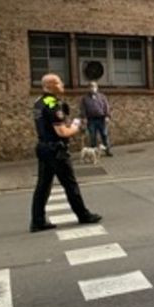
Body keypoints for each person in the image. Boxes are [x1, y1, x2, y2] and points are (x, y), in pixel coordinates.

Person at [29, 74, 102, 233]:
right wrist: (76, 127)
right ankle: (83, 215)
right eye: (59, 82)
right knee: (70, 184)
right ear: (50, 85)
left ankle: (37, 220)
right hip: (56, 150)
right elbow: (61, 131)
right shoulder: (53, 104)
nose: (62, 84)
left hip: (43, 147)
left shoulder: (38, 102)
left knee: (43, 185)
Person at [79, 81, 112, 156]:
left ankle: (107, 150)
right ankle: (93, 153)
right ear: (88, 88)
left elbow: (106, 106)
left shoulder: (102, 96)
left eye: (94, 86)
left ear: (97, 87)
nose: (92, 88)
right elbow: (82, 109)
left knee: (104, 135)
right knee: (92, 136)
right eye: (91, 86)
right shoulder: (85, 98)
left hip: (101, 119)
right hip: (91, 120)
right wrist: (84, 118)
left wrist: (107, 116)